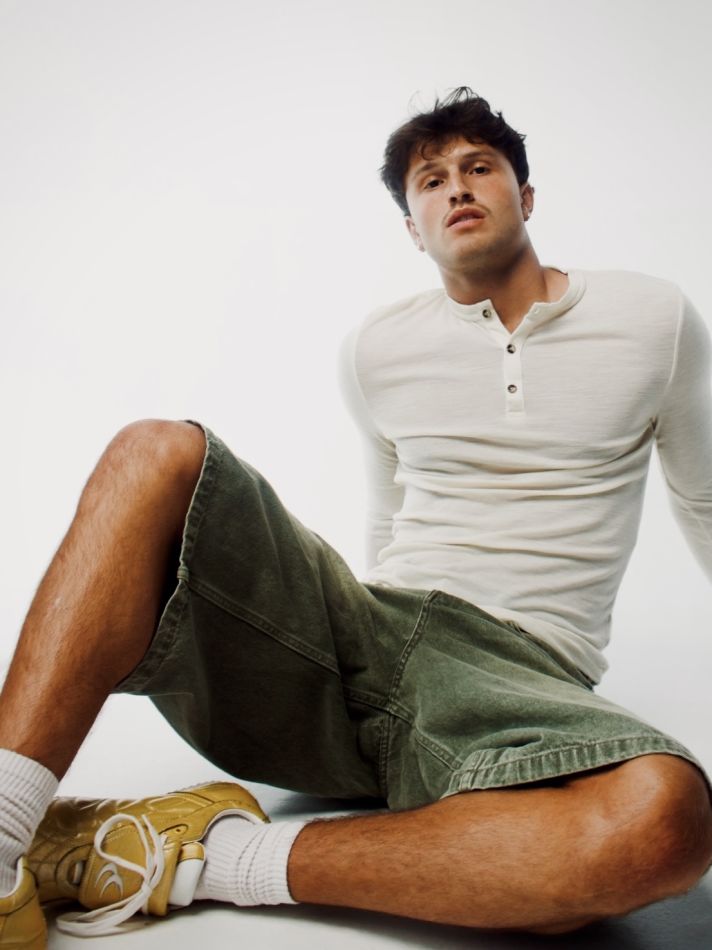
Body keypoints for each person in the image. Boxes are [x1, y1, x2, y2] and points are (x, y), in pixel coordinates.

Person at [0, 87, 711, 948]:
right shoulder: (377, 349)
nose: (457, 187)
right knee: (153, 450)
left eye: (480, 168)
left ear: (525, 196)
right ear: (413, 227)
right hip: (365, 628)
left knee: (664, 821)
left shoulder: (651, 320)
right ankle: (1, 838)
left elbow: (702, 498)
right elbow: (387, 520)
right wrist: (356, 649)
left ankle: (199, 856)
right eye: (431, 180)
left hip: (520, 672)